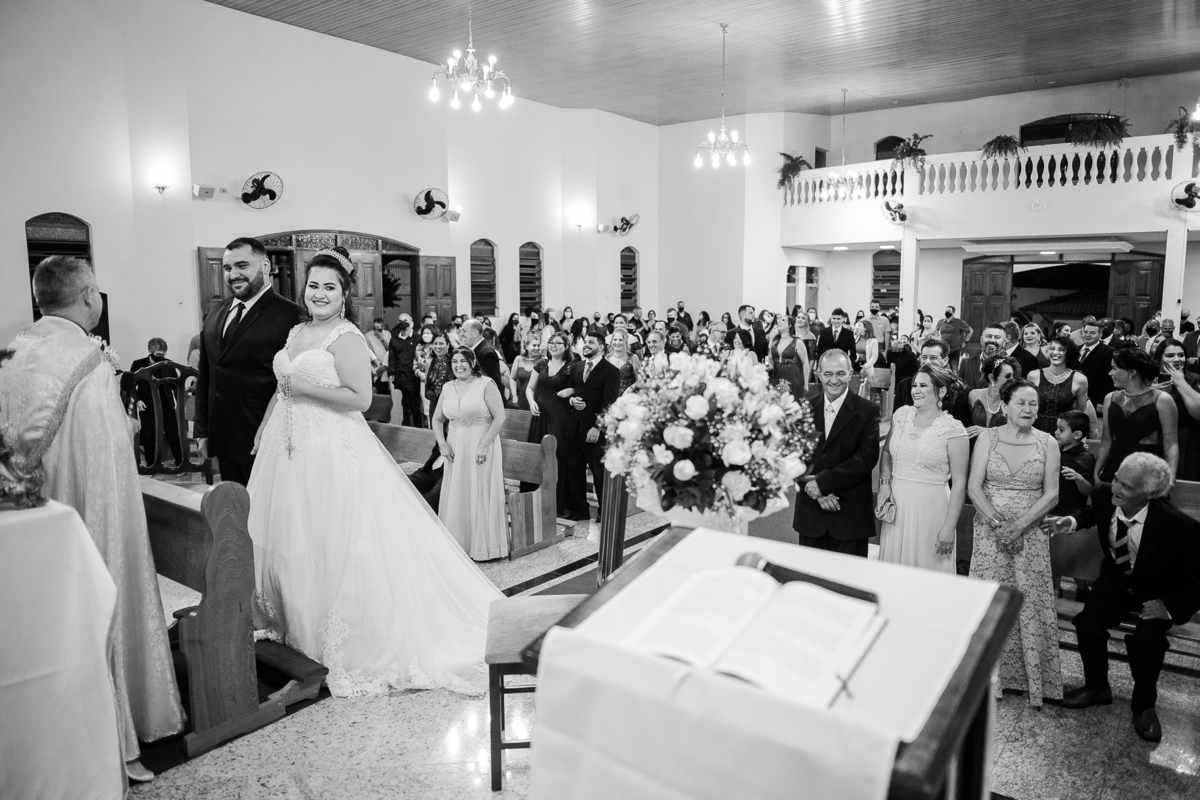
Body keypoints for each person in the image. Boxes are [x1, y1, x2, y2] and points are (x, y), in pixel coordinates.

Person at [248, 248, 502, 697]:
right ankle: (295, 626)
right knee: (295, 539)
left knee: (336, 540)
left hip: (329, 449)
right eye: (313, 285)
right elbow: (281, 387)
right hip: (286, 448)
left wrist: (299, 386)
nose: (320, 293)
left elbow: (359, 399)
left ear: (344, 294)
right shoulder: (297, 331)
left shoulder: (346, 337)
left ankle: (344, 637)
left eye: (330, 287)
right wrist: (266, 423)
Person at [0, 256, 185, 779]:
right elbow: (107, 461)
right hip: (84, 515)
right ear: (87, 297)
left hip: (31, 517)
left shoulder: (16, 350)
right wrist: (127, 428)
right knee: (99, 595)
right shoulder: (86, 360)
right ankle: (113, 732)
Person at [1046, 453, 1200, 742]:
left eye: (1126, 486)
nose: (1115, 487)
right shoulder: (1104, 494)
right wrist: (1071, 521)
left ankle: (1144, 705)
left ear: (1149, 493)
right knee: (1088, 623)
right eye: (1116, 478)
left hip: (1158, 591)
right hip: (1117, 583)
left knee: (1148, 639)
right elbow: (1093, 514)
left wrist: (1170, 608)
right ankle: (1097, 688)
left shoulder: (1177, 525)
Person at [967, 380, 1062, 706]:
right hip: (989, 532)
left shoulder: (1048, 443)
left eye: (1033, 404)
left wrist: (1019, 527)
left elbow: (1052, 494)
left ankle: (1031, 678)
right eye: (1021, 402)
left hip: (1031, 533)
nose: (1028, 409)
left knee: (1028, 600)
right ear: (1005, 407)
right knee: (990, 599)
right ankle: (985, 677)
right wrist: (999, 525)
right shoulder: (987, 438)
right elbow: (974, 487)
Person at [195, 236, 304, 485]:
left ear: (265, 266)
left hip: (265, 437)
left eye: (242, 266)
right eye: (227, 268)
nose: (233, 274)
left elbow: (293, 383)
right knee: (234, 506)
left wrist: (277, 432)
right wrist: (202, 431)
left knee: (266, 508)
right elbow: (207, 374)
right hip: (223, 437)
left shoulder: (291, 316)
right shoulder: (215, 313)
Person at [877, 366, 969, 572]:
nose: (916, 390)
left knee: (927, 568)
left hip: (931, 510)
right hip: (898, 506)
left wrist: (949, 527)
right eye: (914, 385)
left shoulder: (954, 430)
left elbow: (960, 483)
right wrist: (884, 484)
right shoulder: (901, 415)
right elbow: (886, 452)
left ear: (941, 391)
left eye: (923, 386)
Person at [794, 350, 881, 557]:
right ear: (819, 374)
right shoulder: (803, 409)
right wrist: (817, 492)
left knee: (849, 576)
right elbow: (793, 456)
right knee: (809, 575)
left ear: (850, 373)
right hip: (811, 511)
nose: (834, 380)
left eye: (840, 373)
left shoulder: (867, 411)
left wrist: (823, 484)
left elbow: (866, 458)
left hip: (849, 514)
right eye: (828, 374)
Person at [432, 347, 509, 560]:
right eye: (455, 361)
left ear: (472, 362)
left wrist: (484, 445)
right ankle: (459, 544)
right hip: (456, 446)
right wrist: (442, 445)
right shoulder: (448, 387)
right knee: (459, 490)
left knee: (480, 490)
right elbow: (437, 419)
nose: (459, 365)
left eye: (463, 361)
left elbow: (500, 416)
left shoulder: (485, 384)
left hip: (481, 444)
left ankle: (483, 547)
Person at [1095, 347, 1179, 482]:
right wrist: (1096, 472)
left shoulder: (1162, 400)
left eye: (1114, 368)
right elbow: (1106, 441)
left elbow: (1171, 444)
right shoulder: (1110, 398)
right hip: (1114, 468)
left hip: (1146, 471)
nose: (1110, 373)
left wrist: (1170, 480)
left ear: (1132, 372)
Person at [562, 332, 620, 524]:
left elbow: (609, 402)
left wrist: (597, 427)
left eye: (591, 342)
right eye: (585, 342)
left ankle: (604, 509)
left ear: (601, 347)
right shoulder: (578, 366)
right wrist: (572, 400)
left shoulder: (610, 370)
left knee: (599, 473)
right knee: (574, 471)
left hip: (595, 430)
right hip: (575, 427)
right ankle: (580, 510)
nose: (586, 345)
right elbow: (571, 390)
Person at [526, 331, 575, 510]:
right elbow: (530, 388)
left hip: (559, 416)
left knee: (557, 454)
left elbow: (579, 387)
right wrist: (531, 402)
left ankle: (557, 501)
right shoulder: (541, 363)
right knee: (538, 454)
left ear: (566, 346)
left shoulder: (571, 366)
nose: (553, 346)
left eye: (558, 343)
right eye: (551, 343)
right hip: (540, 415)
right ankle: (534, 498)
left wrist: (571, 391)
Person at [128, 337, 184, 466]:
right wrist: (138, 400)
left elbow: (175, 386)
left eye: (164, 354)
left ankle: (180, 463)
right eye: (159, 355)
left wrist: (180, 403)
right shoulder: (138, 364)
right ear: (150, 351)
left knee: (173, 435)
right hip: (147, 404)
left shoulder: (169, 364)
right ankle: (151, 465)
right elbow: (131, 386)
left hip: (166, 404)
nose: (162, 357)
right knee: (149, 436)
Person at [1153, 338, 1200, 481]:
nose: (1177, 359)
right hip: (1154, 441)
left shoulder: (1194, 379)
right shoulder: (1148, 380)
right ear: (1159, 358)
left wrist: (1181, 383)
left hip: (1187, 443)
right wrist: (1150, 392)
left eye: (1181, 355)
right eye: (1170, 355)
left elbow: (1198, 413)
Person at [1027, 336, 1089, 434]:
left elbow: (1081, 414)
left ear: (1069, 353)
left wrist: (1081, 437)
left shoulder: (1080, 379)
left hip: (1063, 432)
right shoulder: (1033, 375)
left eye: (1061, 349)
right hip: (1035, 430)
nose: (1055, 352)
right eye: (1052, 348)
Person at [967, 355, 1019, 437]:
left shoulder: (1014, 401)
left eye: (1013, 376)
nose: (1012, 380)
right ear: (991, 377)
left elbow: (1017, 432)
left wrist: (986, 431)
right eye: (1008, 376)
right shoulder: (973, 395)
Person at [388, 313, 424, 427]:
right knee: (402, 406)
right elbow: (392, 360)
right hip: (399, 376)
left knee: (415, 405)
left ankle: (418, 431)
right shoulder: (394, 339)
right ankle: (405, 431)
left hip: (413, 377)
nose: (403, 323)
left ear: (411, 323)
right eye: (400, 321)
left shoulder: (418, 338)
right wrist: (391, 379)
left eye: (405, 320)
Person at [460, 318, 506, 402]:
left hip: (486, 402)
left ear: (475, 333)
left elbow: (493, 382)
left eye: (464, 331)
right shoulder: (474, 350)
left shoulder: (486, 353)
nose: (461, 334)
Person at [1077, 318, 1114, 412]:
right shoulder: (1076, 349)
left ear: (1100, 335)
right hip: (1075, 397)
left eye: (1092, 333)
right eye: (1085, 332)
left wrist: (1102, 401)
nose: (1087, 335)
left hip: (1095, 398)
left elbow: (1108, 379)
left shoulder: (1108, 352)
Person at [768, 315, 808, 399]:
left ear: (790, 325)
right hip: (776, 376)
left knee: (792, 402)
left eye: (783, 320)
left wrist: (806, 383)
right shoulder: (774, 341)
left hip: (793, 377)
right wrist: (769, 366)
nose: (779, 321)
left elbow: (805, 363)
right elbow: (770, 358)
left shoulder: (797, 342)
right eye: (779, 320)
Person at [958, 323, 1006, 391]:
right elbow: (959, 390)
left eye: (997, 337)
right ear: (981, 340)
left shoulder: (1008, 366)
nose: (992, 340)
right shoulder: (966, 363)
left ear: (1004, 342)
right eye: (988, 336)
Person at [419, 331, 454, 414]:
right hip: (434, 403)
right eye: (435, 343)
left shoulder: (453, 361)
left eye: (441, 343)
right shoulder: (430, 362)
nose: (438, 346)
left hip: (450, 403)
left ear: (448, 345)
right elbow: (427, 384)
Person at [508, 334, 540, 411]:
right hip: (523, 398)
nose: (537, 348)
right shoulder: (519, 359)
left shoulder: (543, 359)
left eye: (538, 345)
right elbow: (512, 378)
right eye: (534, 345)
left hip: (538, 398)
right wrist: (514, 396)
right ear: (526, 346)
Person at [607, 329, 641, 393]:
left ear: (625, 342)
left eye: (620, 340)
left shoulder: (633, 357)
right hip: (610, 396)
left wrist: (630, 389)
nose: (617, 343)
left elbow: (640, 380)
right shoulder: (606, 358)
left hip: (627, 396)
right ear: (611, 341)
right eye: (615, 339)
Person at [852, 320, 879, 396]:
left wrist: (867, 365)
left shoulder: (873, 341)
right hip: (854, 366)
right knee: (854, 389)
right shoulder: (855, 338)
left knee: (864, 391)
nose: (857, 328)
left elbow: (874, 356)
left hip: (865, 367)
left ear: (865, 328)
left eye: (860, 326)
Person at [365, 318, 391, 394]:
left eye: (378, 327)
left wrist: (381, 338)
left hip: (386, 364)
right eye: (374, 327)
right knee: (375, 387)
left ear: (382, 327)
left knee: (385, 387)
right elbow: (368, 352)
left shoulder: (387, 334)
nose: (376, 329)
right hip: (375, 364)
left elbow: (389, 348)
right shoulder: (368, 336)